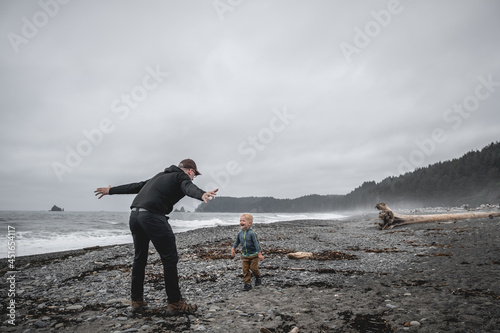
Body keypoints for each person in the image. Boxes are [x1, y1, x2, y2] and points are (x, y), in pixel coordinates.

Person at [94, 158, 218, 315]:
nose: (193, 177)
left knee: (140, 258)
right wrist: (201, 194)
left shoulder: (159, 176)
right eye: (195, 175)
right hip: (152, 216)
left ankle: (137, 301)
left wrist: (110, 191)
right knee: (170, 258)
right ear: (190, 171)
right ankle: (175, 303)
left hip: (135, 216)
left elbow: (136, 186)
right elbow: (188, 187)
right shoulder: (182, 176)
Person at [231, 213, 264, 291]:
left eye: (243, 221)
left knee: (253, 268)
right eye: (240, 220)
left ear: (249, 223)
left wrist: (259, 254)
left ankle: (257, 276)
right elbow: (236, 242)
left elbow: (257, 244)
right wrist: (233, 248)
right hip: (245, 256)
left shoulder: (252, 233)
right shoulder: (240, 233)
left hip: (254, 255)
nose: (241, 222)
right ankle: (247, 284)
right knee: (245, 270)